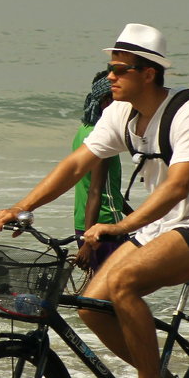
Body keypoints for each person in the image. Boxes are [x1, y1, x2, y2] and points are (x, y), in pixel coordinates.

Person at [0, 23, 189, 378]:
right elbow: (76, 165)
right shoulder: (121, 113)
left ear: (148, 73)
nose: (111, 76)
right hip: (159, 228)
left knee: (123, 285)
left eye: (121, 69)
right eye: (111, 67)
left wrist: (120, 228)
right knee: (92, 305)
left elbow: (177, 188)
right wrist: (21, 207)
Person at [72, 70, 124, 274]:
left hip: (83, 221)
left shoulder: (83, 130)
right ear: (106, 100)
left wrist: (138, 217)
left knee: (98, 287)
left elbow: (107, 189)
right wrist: (88, 243)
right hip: (103, 225)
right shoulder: (101, 138)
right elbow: (96, 191)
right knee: (111, 290)